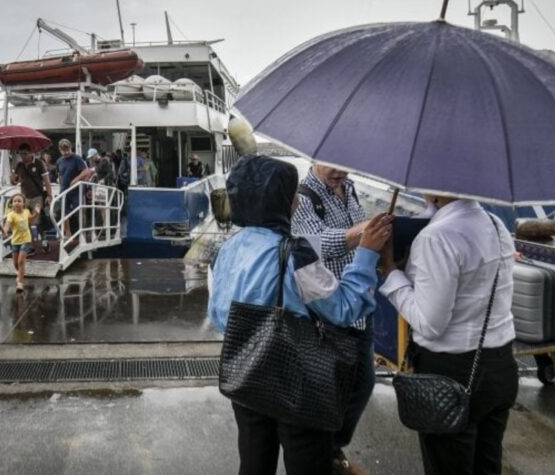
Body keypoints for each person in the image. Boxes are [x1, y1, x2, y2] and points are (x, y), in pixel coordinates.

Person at [209, 155, 393, 475]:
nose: (295, 199)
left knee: (253, 463)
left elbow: (220, 315)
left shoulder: (227, 249)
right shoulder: (295, 254)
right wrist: (366, 255)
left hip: (247, 375)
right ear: (282, 200)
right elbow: (344, 309)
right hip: (299, 382)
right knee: (308, 463)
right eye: (290, 193)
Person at [379, 195, 517, 475]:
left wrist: (391, 273)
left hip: (452, 370)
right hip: (499, 364)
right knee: (487, 464)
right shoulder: (496, 224)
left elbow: (430, 324)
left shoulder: (436, 237)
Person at [291, 163, 376, 475]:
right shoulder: (304, 196)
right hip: (328, 310)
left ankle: (330, 448)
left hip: (358, 307)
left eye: (347, 166)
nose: (342, 172)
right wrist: (363, 234)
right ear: (314, 158)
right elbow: (312, 245)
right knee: (331, 392)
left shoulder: (350, 190)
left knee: (363, 383)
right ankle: (324, 454)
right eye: (334, 166)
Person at [10, 143, 53, 250]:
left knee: (38, 221)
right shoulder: (19, 165)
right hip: (24, 198)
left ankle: (44, 241)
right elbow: (14, 182)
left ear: (31, 153)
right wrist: (12, 176)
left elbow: (47, 181)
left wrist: (49, 195)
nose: (23, 156)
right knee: (24, 221)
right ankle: (31, 244)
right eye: (21, 154)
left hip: (37, 196)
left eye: (25, 153)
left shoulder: (39, 164)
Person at [55, 139, 88, 243]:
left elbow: (85, 171)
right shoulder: (59, 161)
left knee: (80, 211)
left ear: (70, 148)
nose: (66, 152)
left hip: (76, 190)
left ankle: (83, 233)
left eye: (68, 149)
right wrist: (61, 182)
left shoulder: (77, 159)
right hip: (64, 190)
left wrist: (76, 179)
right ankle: (68, 234)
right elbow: (59, 174)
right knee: (64, 212)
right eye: (64, 150)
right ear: (60, 150)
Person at [2, 193, 36, 292]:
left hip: (26, 240)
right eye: (15, 201)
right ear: (12, 204)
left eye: (19, 201)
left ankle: (20, 283)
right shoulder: (11, 215)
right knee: (15, 263)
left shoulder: (26, 212)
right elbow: (7, 225)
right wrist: (5, 231)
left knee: (21, 261)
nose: (17, 203)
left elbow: (31, 219)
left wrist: (36, 213)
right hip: (15, 241)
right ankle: (20, 273)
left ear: (23, 204)